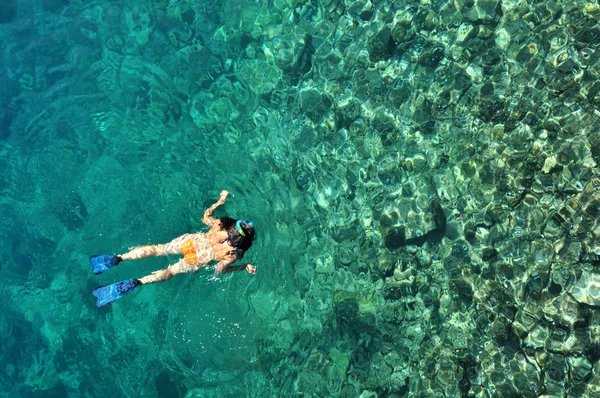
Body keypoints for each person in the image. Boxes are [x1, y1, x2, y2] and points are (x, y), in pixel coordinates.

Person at [89, 190, 256, 307]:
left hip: (191, 242)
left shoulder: (221, 226)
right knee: (171, 271)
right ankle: (137, 282)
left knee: (158, 249)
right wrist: (243, 266)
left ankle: (119, 258)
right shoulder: (233, 253)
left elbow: (205, 217)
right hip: (198, 260)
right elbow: (220, 270)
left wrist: (220, 201)